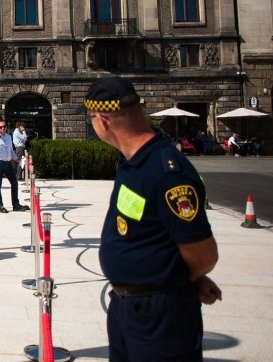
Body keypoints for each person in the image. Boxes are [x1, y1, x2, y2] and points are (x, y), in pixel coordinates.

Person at [85, 76, 221, 361]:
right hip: (127, 306)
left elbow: (204, 255)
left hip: (160, 316)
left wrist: (178, 278)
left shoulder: (167, 174)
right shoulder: (133, 160)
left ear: (103, 121)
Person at [0, 120, 29, 213]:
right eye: (0, 127)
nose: (3, 128)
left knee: (14, 182)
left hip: (7, 162)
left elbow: (10, 150)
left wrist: (17, 158)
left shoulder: (8, 137)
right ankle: (0, 206)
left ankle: (16, 204)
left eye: (4, 126)